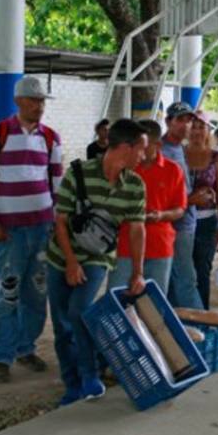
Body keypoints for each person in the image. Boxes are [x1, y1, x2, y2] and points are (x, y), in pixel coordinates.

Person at [47, 119, 148, 406]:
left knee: (80, 310)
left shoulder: (135, 185)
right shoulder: (78, 173)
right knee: (61, 324)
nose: (144, 156)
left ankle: (90, 375)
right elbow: (61, 221)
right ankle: (72, 384)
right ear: (126, 148)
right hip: (59, 257)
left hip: (98, 258)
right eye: (141, 150)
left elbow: (137, 229)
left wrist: (138, 272)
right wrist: (69, 263)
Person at [0, 76, 63, 384]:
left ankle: (26, 348)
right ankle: (0, 356)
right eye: (33, 100)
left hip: (41, 229)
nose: (39, 106)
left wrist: (56, 226)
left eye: (41, 101)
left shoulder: (51, 138)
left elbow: (57, 187)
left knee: (37, 294)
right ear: (18, 101)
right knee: (7, 294)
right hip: (9, 232)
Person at [109, 119, 186, 295]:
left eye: (144, 145)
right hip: (125, 246)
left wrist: (161, 215)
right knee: (117, 299)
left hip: (159, 246)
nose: (140, 151)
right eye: (136, 144)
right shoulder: (125, 169)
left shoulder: (173, 170)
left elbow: (180, 209)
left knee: (153, 307)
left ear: (158, 144)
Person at [161, 101, 203, 309]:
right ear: (168, 121)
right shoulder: (161, 152)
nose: (185, 125)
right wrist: (192, 200)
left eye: (189, 120)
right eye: (180, 120)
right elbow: (161, 195)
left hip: (187, 222)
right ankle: (200, 330)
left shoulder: (184, 150)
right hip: (171, 225)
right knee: (185, 280)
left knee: (177, 280)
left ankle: (181, 329)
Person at [186, 111, 218, 309]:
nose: (196, 131)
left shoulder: (215, 157)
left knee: (202, 271)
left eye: (200, 126)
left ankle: (202, 315)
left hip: (207, 222)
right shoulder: (179, 153)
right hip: (181, 220)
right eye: (192, 126)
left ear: (208, 130)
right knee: (182, 271)